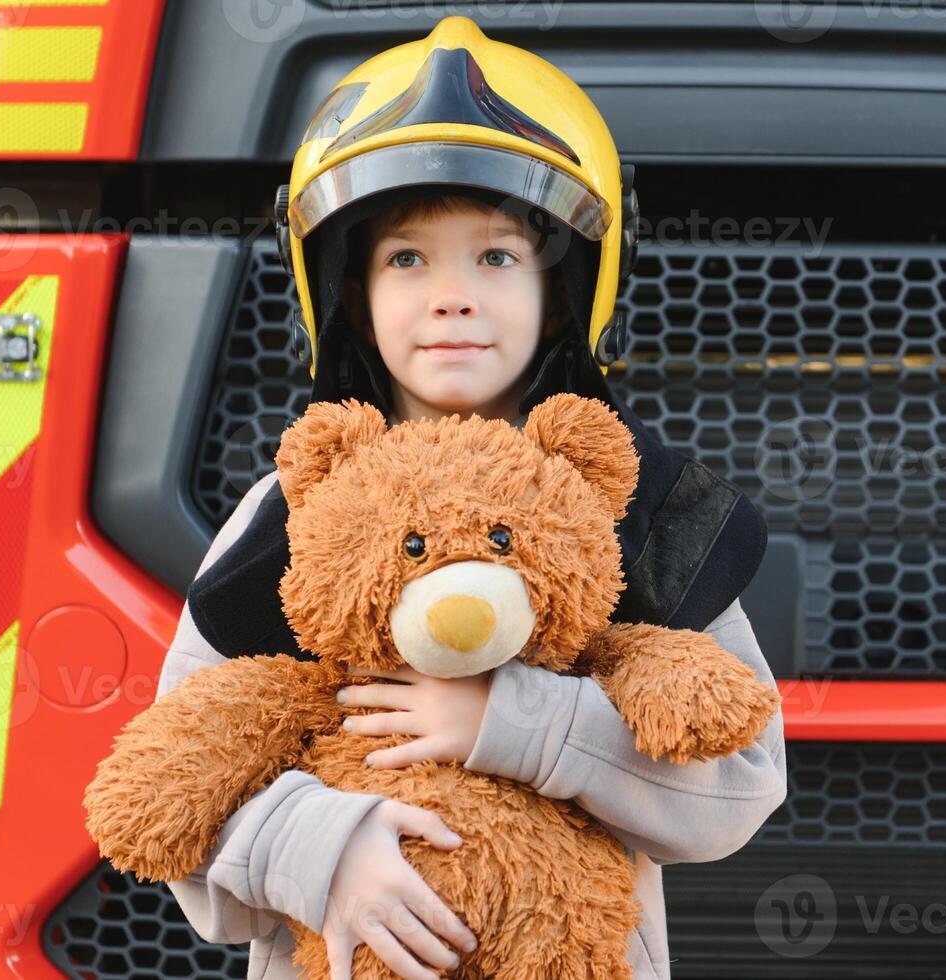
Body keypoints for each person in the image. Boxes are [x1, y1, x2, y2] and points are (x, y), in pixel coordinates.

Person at [154, 16, 786, 980]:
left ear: (564, 289)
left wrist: (511, 720)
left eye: (495, 256)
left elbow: (738, 789)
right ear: (348, 292)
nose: (452, 295)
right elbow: (176, 788)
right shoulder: (289, 514)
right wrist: (327, 851)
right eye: (408, 258)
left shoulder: (634, 512)